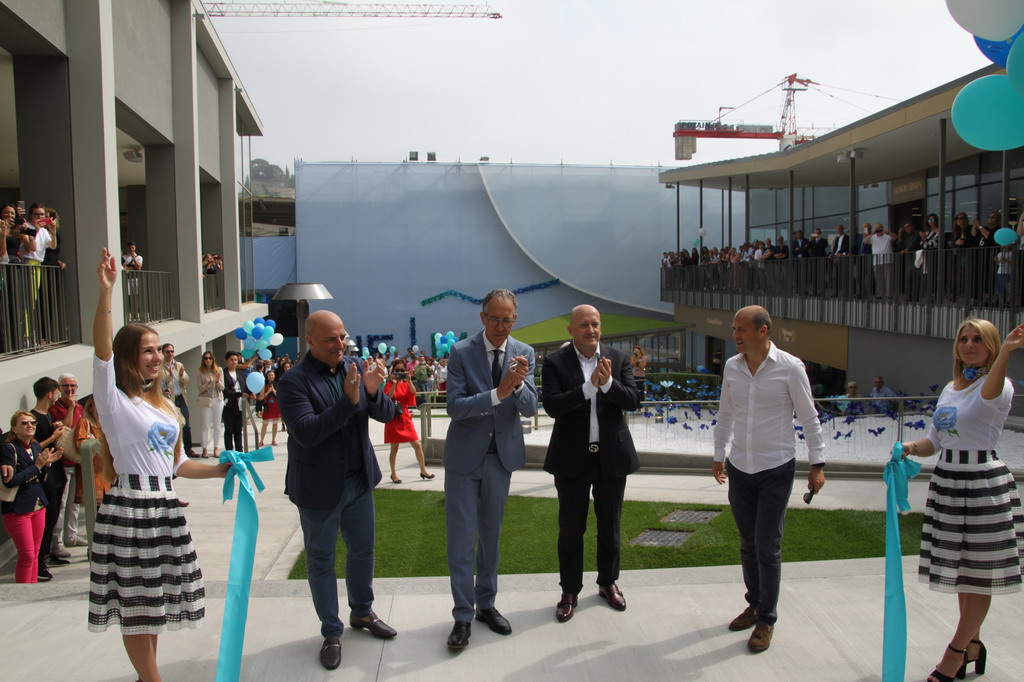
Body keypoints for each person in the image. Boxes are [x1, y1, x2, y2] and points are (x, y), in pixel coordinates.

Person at [88, 248, 229, 682]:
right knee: (136, 609)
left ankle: (146, 677)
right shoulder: (113, 401)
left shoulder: (166, 406)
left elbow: (179, 464)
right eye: (145, 350)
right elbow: (101, 352)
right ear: (128, 355)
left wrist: (222, 469)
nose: (155, 356)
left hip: (164, 508)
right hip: (130, 509)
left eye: (158, 349)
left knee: (153, 606)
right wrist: (107, 293)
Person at [901, 319, 1024, 682]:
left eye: (978, 340)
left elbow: (989, 394)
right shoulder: (951, 389)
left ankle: (954, 654)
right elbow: (934, 442)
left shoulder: (999, 385)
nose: (969, 345)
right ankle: (974, 645)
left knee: (979, 576)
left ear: (992, 346)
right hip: (948, 482)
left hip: (982, 483)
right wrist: (908, 447)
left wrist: (1007, 351)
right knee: (963, 574)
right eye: (964, 339)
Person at [277, 310, 397, 671]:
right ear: (310, 340)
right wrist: (348, 401)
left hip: (359, 481)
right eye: (331, 339)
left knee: (363, 551)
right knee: (321, 560)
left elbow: (387, 414)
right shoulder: (293, 381)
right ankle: (332, 630)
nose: (340, 344)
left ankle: (362, 612)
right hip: (319, 488)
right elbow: (306, 432)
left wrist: (372, 392)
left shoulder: (355, 366)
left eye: (343, 336)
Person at [712, 305, 825, 653]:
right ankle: (754, 602)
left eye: (741, 329)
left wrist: (817, 464)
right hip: (740, 467)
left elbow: (809, 417)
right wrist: (718, 455)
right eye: (734, 328)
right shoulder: (733, 367)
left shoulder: (790, 367)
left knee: (767, 545)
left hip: (776, 468)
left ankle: (767, 619)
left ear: (762, 331)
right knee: (748, 543)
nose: (735, 335)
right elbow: (725, 413)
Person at [443, 289, 537, 649]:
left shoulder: (524, 353)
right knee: (461, 539)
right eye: (494, 319)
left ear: (516, 319)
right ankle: (462, 616)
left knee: (491, 537)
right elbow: (455, 407)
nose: (500, 326)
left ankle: (486, 604)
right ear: (482, 318)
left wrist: (518, 385)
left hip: (502, 459)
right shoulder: (461, 352)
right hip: (464, 461)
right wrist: (499, 393)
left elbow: (530, 408)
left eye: (506, 319)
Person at [541, 305, 641, 623]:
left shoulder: (618, 359)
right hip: (571, 458)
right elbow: (552, 406)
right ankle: (569, 591)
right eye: (584, 325)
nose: (591, 330)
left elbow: (633, 401)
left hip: (611, 457)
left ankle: (608, 582)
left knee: (610, 525)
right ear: (571, 330)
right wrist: (589, 388)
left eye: (595, 324)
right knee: (571, 528)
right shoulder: (555, 362)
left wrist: (608, 384)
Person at [1, 410, 63, 582]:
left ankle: (33, 589)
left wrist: (46, 466)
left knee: (36, 554)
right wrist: (37, 466)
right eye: (24, 423)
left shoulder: (35, 447)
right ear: (14, 428)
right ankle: (22, 592)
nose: (30, 425)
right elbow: (10, 481)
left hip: (38, 505)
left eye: (33, 422)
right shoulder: (9, 448)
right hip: (18, 508)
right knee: (27, 556)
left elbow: (39, 479)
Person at [30, 376, 68, 578]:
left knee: (54, 514)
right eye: (56, 392)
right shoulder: (32, 418)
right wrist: (53, 437)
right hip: (46, 473)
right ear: (50, 393)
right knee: (49, 514)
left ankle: (47, 553)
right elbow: (34, 447)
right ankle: (39, 560)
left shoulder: (47, 415)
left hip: (56, 469)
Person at [49, 373, 86, 555]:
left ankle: (71, 536)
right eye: (65, 386)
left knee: (75, 502)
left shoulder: (80, 407)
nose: (69, 389)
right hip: (62, 463)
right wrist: (70, 408)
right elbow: (65, 429)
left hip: (78, 461)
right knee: (61, 504)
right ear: (59, 388)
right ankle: (56, 543)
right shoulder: (54, 408)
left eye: (73, 386)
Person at [383, 358, 434, 483]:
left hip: (405, 417)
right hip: (394, 417)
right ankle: (393, 473)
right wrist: (394, 383)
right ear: (393, 371)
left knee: (417, 444)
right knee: (394, 448)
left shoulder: (406, 383)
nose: (400, 372)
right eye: (397, 370)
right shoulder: (389, 383)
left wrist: (410, 380)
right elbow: (388, 397)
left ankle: (423, 470)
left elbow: (413, 392)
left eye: (402, 370)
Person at [160, 344, 198, 457]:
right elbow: (160, 382)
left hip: (181, 397)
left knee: (186, 424)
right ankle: (175, 450)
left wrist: (181, 374)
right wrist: (170, 375)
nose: (170, 354)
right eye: (168, 352)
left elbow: (186, 381)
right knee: (173, 425)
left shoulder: (178, 365)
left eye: (172, 351)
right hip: (169, 399)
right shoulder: (160, 367)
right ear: (163, 353)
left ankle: (188, 449)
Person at [222, 351, 247, 452]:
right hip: (228, 406)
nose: (234, 362)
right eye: (231, 360)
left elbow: (245, 387)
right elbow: (225, 391)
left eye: (236, 360)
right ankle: (229, 452)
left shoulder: (241, 374)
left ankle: (239, 452)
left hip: (240, 406)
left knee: (238, 430)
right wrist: (239, 394)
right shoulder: (223, 374)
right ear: (227, 361)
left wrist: (251, 394)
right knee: (229, 430)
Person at [257, 370, 281, 447]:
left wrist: (273, 390)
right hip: (268, 405)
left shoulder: (277, 384)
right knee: (265, 424)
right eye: (269, 375)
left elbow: (279, 395)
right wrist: (268, 391)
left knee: (275, 423)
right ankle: (261, 440)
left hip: (276, 405)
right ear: (267, 376)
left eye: (272, 375)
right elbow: (261, 397)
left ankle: (273, 439)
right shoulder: (264, 385)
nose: (271, 377)